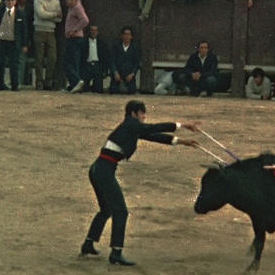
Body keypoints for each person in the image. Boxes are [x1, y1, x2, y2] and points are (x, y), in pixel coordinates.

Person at [79, 100, 200, 266]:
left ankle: (88, 244)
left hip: (98, 168)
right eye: (142, 113)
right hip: (103, 170)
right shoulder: (131, 124)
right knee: (120, 211)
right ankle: (116, 252)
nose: (144, 116)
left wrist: (181, 141)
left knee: (107, 209)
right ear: (133, 114)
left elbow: (153, 136)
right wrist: (182, 125)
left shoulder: (131, 127)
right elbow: (152, 128)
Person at [0, 0, 26, 92]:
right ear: (5, 1)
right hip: (2, 40)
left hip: (13, 41)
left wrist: (24, 44)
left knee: (14, 64)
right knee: (0, 63)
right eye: (8, 0)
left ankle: (14, 85)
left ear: (15, 1)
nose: (10, 2)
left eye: (12, 0)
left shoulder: (20, 13)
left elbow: (24, 30)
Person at [32, 0, 62, 90]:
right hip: (39, 30)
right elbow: (41, 14)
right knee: (39, 58)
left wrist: (47, 14)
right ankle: (39, 81)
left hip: (51, 32)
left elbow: (59, 18)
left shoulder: (56, 1)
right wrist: (53, 14)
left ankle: (47, 80)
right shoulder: (37, 0)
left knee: (52, 58)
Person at [64, 0, 89, 93]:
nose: (68, 1)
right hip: (74, 38)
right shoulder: (74, 8)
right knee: (73, 62)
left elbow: (85, 20)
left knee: (68, 62)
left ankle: (77, 81)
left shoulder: (77, 7)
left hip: (74, 38)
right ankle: (74, 85)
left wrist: (74, 30)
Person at [109, 26, 141, 95]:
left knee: (132, 91)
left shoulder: (135, 47)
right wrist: (115, 72)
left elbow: (136, 62)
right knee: (113, 91)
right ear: (122, 36)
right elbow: (112, 60)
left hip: (128, 75)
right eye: (125, 34)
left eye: (128, 34)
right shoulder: (116, 46)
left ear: (131, 36)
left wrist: (132, 74)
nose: (126, 36)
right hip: (117, 74)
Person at [80, 24, 110, 94]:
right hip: (86, 66)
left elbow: (105, 58)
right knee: (84, 89)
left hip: (97, 66)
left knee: (98, 90)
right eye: (92, 30)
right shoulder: (83, 42)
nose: (93, 32)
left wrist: (105, 70)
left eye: (95, 30)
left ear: (98, 32)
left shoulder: (102, 44)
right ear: (89, 31)